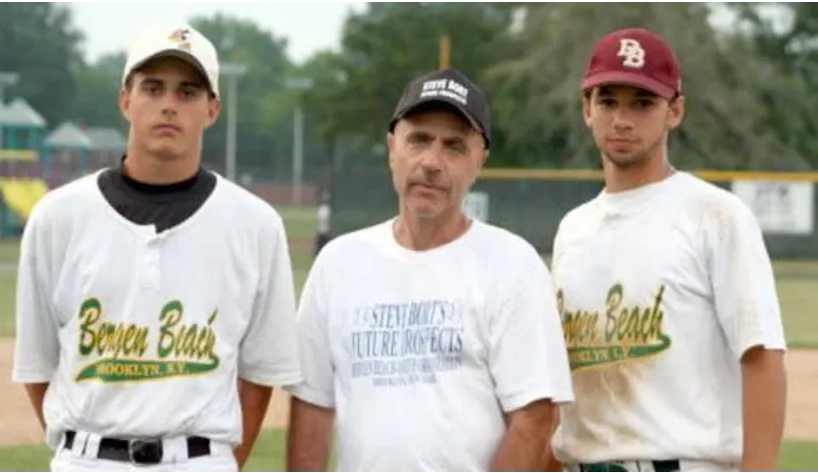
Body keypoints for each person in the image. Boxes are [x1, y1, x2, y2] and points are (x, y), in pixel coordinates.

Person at [11, 23, 302, 472]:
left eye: (188, 92)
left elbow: (259, 377)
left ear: (212, 108)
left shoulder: (256, 225)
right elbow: (37, 367)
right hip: (87, 460)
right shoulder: (57, 217)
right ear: (125, 99)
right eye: (153, 88)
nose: (169, 104)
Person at [285, 67, 575, 472]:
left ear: (480, 159)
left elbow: (535, 418)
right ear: (392, 148)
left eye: (454, 146)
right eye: (418, 140)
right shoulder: (338, 263)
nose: (432, 162)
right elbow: (312, 407)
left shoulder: (512, 264)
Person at [549, 27, 788, 472]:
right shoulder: (572, 229)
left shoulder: (714, 214)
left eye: (642, 103)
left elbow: (762, 359)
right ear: (587, 109)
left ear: (674, 110)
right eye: (607, 101)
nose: (622, 118)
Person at [313, 190, 332, 257]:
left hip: (321, 231)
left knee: (318, 251)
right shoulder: (327, 209)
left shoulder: (321, 209)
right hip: (325, 232)